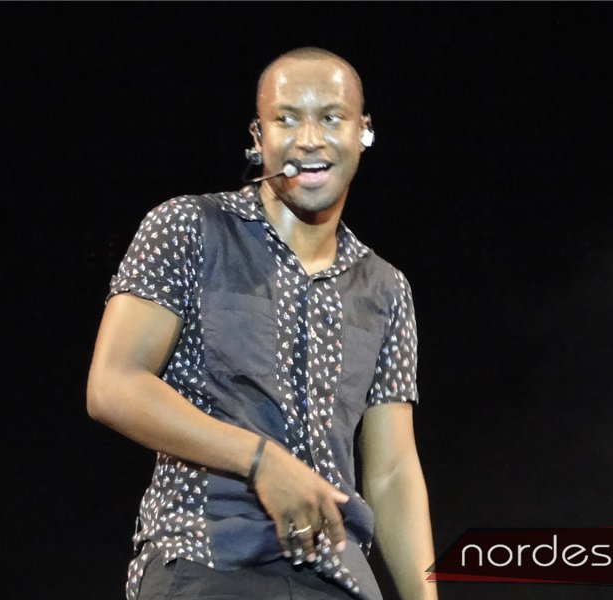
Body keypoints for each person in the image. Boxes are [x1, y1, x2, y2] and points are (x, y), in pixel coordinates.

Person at [87, 47, 437, 600]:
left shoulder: (386, 288)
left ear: (363, 131)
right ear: (258, 137)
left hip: (338, 577)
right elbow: (113, 384)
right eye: (286, 119)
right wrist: (259, 459)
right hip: (206, 560)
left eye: (331, 118)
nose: (309, 139)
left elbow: (392, 471)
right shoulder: (188, 227)